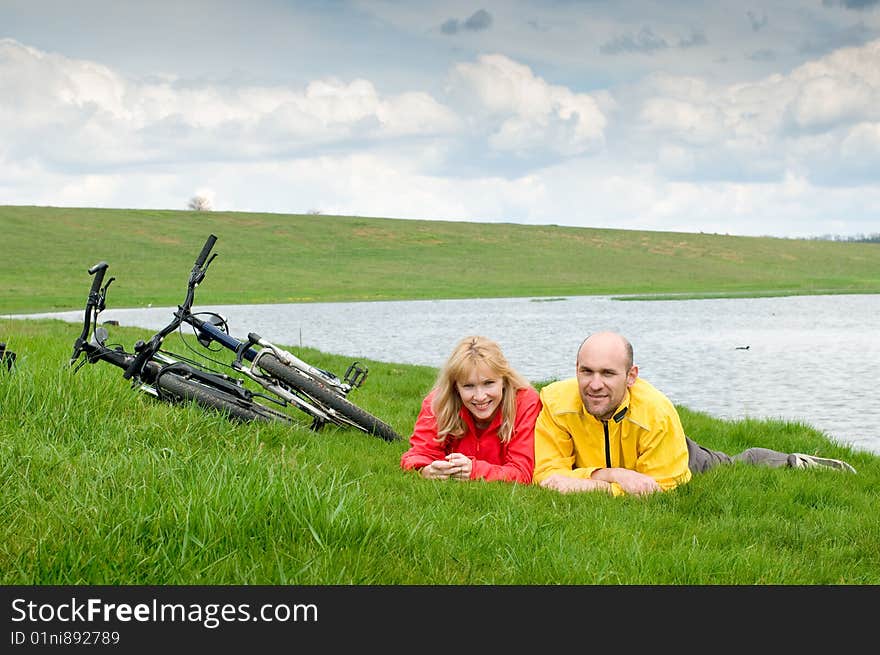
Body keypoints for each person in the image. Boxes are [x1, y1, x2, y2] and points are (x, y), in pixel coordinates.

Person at [533, 330, 856, 497]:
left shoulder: (655, 413)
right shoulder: (556, 402)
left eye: (608, 373)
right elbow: (547, 478)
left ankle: (792, 462)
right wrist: (613, 475)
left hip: (676, 456)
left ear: (631, 376)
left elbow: (657, 491)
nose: (594, 384)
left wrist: (579, 483)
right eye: (586, 372)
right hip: (621, 467)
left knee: (729, 466)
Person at [400, 335, 541, 484]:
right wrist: (426, 469)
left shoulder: (526, 402)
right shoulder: (438, 402)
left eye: (489, 383)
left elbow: (523, 472)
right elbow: (417, 454)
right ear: (456, 387)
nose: (480, 397)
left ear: (504, 380)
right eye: (468, 386)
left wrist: (475, 470)